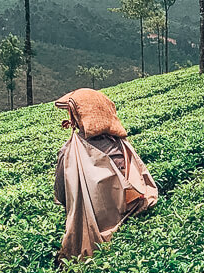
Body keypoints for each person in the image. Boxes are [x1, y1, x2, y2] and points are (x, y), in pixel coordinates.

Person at [54, 88, 158, 260]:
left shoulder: (70, 151)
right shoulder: (122, 145)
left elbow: (62, 194)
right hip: (130, 210)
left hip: (95, 221)